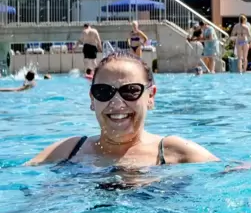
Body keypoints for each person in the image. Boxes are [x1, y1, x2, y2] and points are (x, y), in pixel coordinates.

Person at [26, 51, 218, 167]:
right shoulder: (70, 150)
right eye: (103, 91)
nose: (117, 103)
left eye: (131, 91)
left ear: (150, 97)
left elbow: (233, 171)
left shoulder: (174, 151)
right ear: (92, 99)